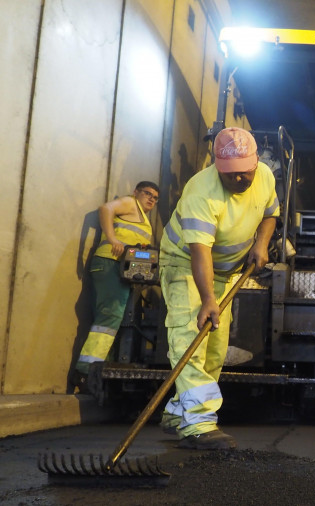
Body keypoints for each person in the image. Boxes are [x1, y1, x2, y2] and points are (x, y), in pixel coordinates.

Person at [158, 127, 279, 450]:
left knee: (214, 347)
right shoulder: (201, 191)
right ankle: (198, 423)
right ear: (217, 167)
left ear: (256, 163)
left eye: (245, 172)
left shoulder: (265, 176)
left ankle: (178, 411)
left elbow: (270, 214)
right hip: (185, 264)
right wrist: (208, 299)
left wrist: (261, 244)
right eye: (231, 175)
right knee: (189, 334)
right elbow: (200, 252)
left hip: (226, 271)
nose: (240, 180)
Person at [75, 181, 159, 384]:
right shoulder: (130, 204)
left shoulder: (142, 217)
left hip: (119, 269)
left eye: (155, 198)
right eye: (147, 193)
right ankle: (87, 369)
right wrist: (113, 239)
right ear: (135, 192)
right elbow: (105, 209)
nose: (151, 199)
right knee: (110, 315)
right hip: (110, 262)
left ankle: (101, 364)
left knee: (112, 317)